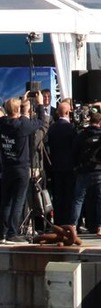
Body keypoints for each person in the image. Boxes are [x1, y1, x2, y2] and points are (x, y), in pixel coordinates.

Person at [0, 95, 45, 241]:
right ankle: (13, 233)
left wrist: (23, 108)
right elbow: (40, 122)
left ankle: (2, 233)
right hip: (21, 167)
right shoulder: (22, 125)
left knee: (6, 201)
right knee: (18, 201)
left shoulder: (2, 123)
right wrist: (40, 105)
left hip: (7, 167)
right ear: (17, 109)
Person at [71, 105, 101, 236]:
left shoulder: (81, 135)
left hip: (84, 170)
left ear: (89, 120)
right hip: (100, 170)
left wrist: (76, 166)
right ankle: (100, 227)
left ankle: (74, 226)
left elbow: (74, 152)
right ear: (100, 122)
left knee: (78, 199)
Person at [45, 98, 76, 229]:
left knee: (57, 196)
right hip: (69, 166)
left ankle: (58, 221)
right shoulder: (71, 128)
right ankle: (68, 221)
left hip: (56, 166)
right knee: (69, 195)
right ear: (69, 112)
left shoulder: (52, 128)